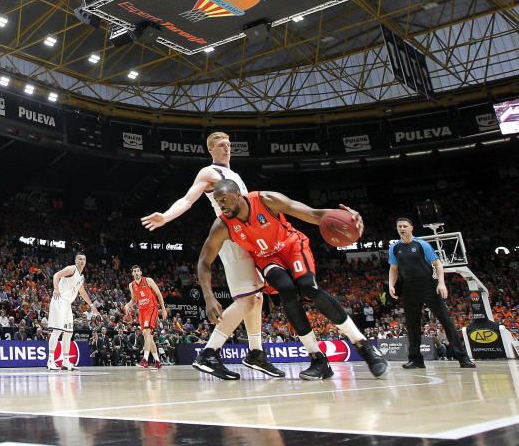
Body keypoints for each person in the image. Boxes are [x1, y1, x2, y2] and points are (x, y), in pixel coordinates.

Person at [198, 180, 389, 380]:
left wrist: (349, 219)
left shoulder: (266, 200)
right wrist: (208, 297)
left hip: (291, 246)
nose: (221, 204)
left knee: (308, 287)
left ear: (238, 195)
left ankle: (364, 346)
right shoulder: (222, 225)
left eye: (224, 199)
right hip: (267, 258)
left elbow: (313, 214)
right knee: (286, 290)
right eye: (218, 201)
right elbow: (204, 262)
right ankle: (318, 359)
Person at [141, 132, 283, 379]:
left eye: (228, 145)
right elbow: (187, 199)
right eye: (221, 145)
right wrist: (166, 216)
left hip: (247, 238)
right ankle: (208, 353)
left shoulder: (235, 175)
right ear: (211, 150)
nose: (226, 148)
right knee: (247, 300)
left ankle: (256, 353)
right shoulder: (208, 173)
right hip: (231, 238)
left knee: (256, 298)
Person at [388, 217, 475, 369]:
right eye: (399, 226)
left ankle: (463, 358)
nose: (402, 228)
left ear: (411, 228)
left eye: (405, 226)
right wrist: (391, 285)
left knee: (445, 321)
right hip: (409, 289)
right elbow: (393, 269)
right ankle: (416, 359)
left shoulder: (422, 244)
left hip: (428, 286)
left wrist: (441, 283)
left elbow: (438, 264)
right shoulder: (394, 248)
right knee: (412, 325)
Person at [46, 253, 100, 371]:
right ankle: (50, 361)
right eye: (80, 259)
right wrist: (56, 288)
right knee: (57, 331)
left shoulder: (81, 277)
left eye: (84, 259)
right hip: (59, 301)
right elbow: (56, 275)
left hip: (67, 305)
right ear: (76, 260)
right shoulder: (71, 269)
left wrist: (91, 305)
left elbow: (82, 291)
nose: (82, 261)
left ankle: (65, 362)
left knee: (69, 333)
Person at [123, 265, 167, 369]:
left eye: (138, 271)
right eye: (135, 271)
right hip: (141, 310)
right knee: (148, 336)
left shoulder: (148, 280)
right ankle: (157, 361)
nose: (137, 273)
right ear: (132, 274)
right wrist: (127, 305)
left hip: (151, 308)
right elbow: (134, 300)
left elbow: (159, 294)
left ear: (141, 273)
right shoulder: (131, 285)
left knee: (147, 332)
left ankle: (145, 360)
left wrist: (163, 309)